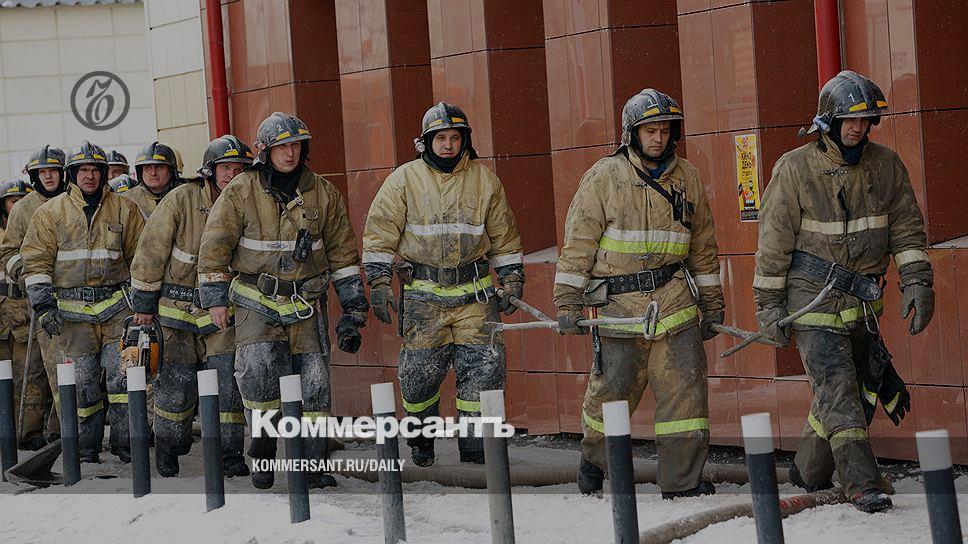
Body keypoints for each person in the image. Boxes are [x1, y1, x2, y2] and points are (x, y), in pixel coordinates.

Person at [754, 70, 934, 513]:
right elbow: (773, 244)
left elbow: (907, 231)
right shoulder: (794, 169)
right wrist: (768, 306)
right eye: (849, 119)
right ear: (828, 121)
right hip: (810, 298)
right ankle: (862, 484)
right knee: (838, 387)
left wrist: (917, 281)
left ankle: (808, 472)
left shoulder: (887, 165)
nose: (858, 127)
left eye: (866, 119)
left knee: (858, 383)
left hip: (862, 302)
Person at [554, 89, 724, 498]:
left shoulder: (688, 178)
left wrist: (712, 302)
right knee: (612, 393)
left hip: (675, 304)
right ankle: (595, 461)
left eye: (665, 130)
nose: (658, 138)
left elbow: (703, 246)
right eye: (650, 130)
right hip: (620, 308)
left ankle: (681, 481)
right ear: (632, 133)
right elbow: (579, 242)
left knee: (685, 396)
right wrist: (567, 300)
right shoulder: (604, 177)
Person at [198, 113, 368, 490]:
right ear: (265, 151)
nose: (289, 153)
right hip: (256, 301)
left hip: (305, 302)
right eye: (281, 146)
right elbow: (214, 247)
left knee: (315, 386)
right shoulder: (241, 190)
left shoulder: (323, 193)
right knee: (259, 380)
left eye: (295, 145)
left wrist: (353, 306)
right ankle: (263, 452)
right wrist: (215, 300)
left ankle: (313, 465)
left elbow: (343, 254)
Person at [362, 102, 524, 467]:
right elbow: (379, 234)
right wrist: (379, 282)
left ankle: (476, 449)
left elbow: (504, 236)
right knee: (419, 375)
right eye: (440, 138)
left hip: (475, 297)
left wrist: (512, 278)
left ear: (465, 140)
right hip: (423, 298)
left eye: (454, 138)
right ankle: (422, 440)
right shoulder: (403, 180)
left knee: (484, 372)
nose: (448, 145)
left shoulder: (485, 181)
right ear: (426, 142)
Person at [129, 135, 254, 478]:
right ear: (210, 171)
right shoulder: (181, 199)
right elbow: (150, 251)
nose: (232, 175)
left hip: (223, 314)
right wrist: (144, 305)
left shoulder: (250, 203)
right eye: (225, 168)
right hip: (177, 314)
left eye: (239, 169)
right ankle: (169, 446)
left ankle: (230, 455)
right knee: (176, 388)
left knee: (227, 387)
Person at [20, 140, 145, 463]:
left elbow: (141, 259)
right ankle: (87, 448)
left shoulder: (126, 209)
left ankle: (126, 443)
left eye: (95, 170)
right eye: (82, 170)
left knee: (124, 379)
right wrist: (44, 305)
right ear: (72, 174)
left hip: (118, 311)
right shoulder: (50, 213)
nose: (89, 176)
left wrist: (143, 305)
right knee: (81, 386)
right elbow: (36, 262)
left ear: (103, 173)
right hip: (71, 317)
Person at [0, 145, 70, 446]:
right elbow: (9, 252)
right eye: (43, 172)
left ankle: (62, 431)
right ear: (34, 176)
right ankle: (29, 433)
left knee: (69, 368)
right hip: (37, 299)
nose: (49, 177)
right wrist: (28, 277)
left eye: (53, 171)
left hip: (74, 298)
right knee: (36, 371)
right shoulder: (23, 209)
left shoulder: (75, 201)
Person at [0, 178, 50, 450]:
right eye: (12, 201)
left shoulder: (36, 225)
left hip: (25, 313)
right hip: (4, 314)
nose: (17, 205)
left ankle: (31, 433)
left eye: (21, 200)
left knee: (32, 375)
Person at [124, 142, 179, 219]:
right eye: (148, 168)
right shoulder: (127, 199)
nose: (153, 173)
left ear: (171, 170)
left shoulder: (185, 195)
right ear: (141, 172)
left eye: (159, 167)